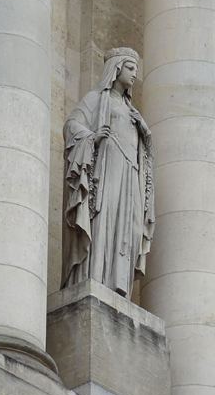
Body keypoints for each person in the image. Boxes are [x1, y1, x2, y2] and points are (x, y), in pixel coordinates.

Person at [61, 47, 154, 297]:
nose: (135, 75)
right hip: (107, 169)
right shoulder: (97, 99)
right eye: (130, 68)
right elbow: (71, 125)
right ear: (116, 68)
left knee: (131, 225)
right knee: (105, 218)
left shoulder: (133, 112)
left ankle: (118, 283)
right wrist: (91, 137)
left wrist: (145, 131)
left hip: (130, 171)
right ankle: (98, 277)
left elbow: (144, 150)